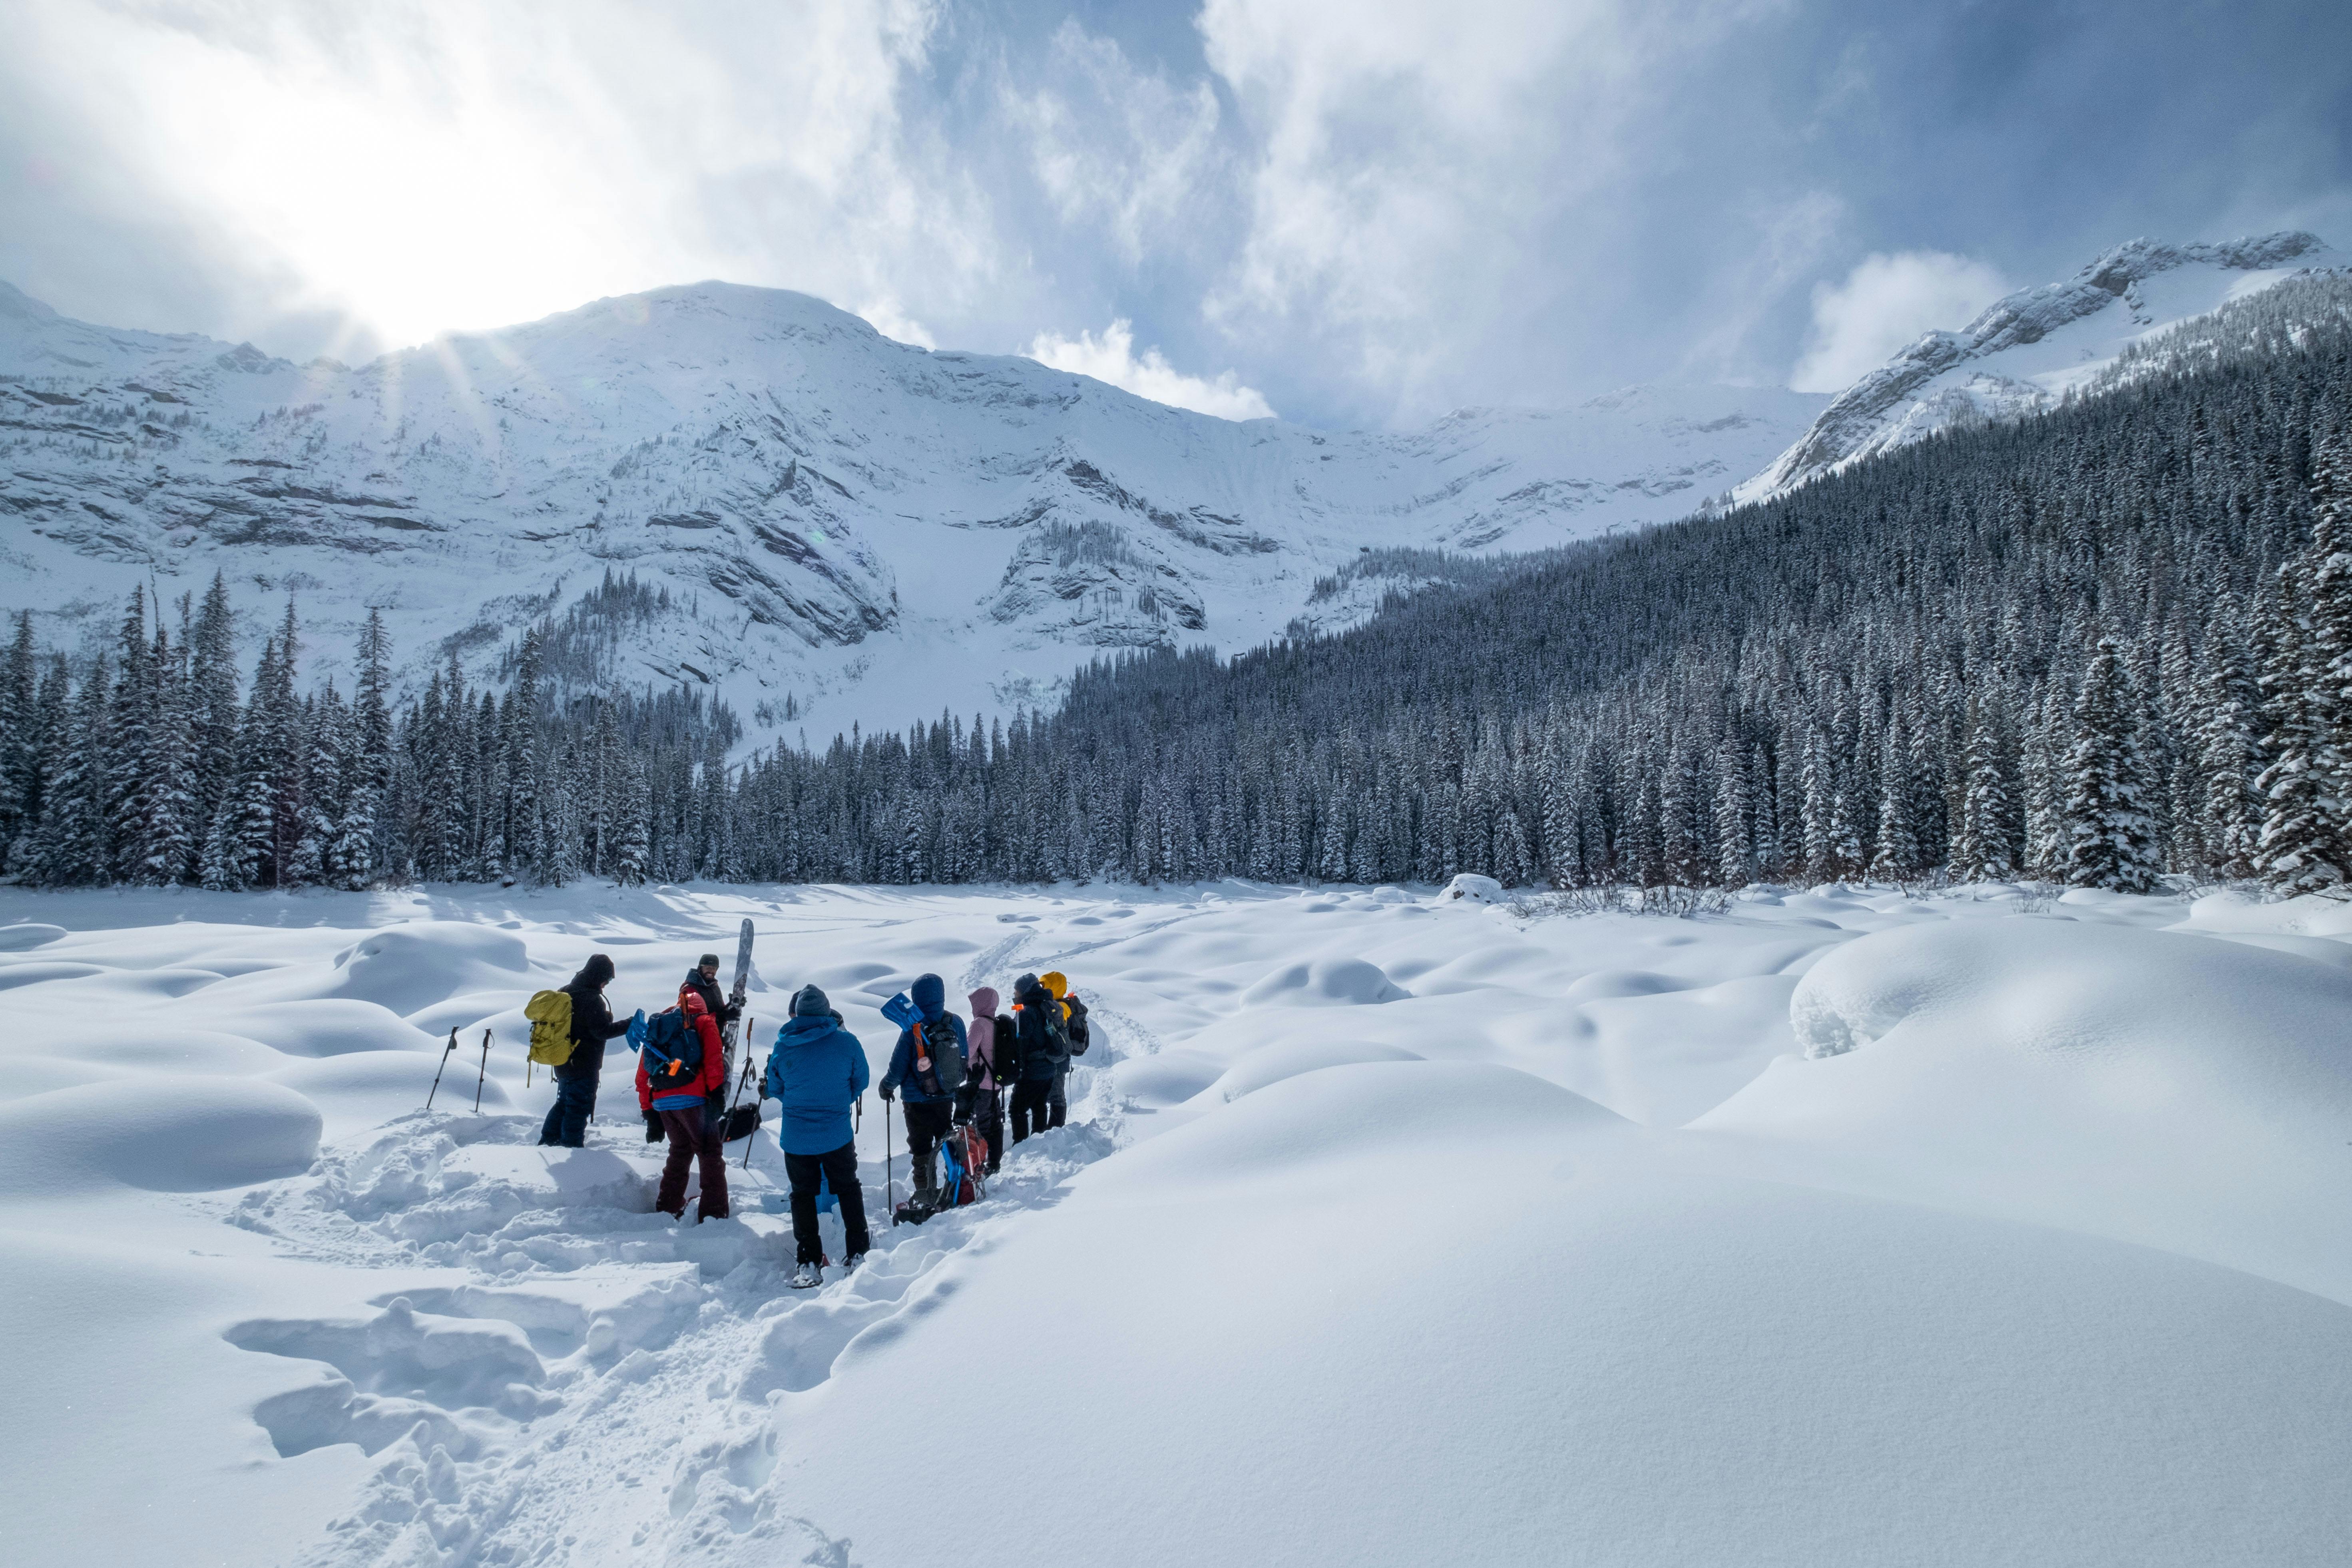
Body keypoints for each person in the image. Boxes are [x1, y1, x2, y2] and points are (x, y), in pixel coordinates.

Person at [763, 984, 872, 1288]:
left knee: (802, 1196)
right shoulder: (847, 1042)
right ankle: (858, 1252)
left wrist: (801, 1104)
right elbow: (860, 1081)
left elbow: (776, 1087)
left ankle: (809, 1261)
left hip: (797, 1137)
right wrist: (837, 1102)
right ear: (826, 1011)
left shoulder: (784, 1045)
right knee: (848, 1189)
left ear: (798, 1013)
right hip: (836, 1132)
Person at [637, 989, 730, 1220]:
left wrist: (649, 1112)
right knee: (709, 1153)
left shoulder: (661, 1027)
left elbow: (643, 1074)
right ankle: (714, 1214)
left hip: (663, 1101)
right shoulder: (705, 1022)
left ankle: (668, 1206)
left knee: (680, 1150)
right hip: (694, 1100)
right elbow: (713, 1061)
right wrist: (717, 1094)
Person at [878, 972, 966, 1203]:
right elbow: (964, 1058)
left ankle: (926, 1197)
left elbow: (898, 1067)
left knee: (921, 1151)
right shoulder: (955, 1022)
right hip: (946, 1097)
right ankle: (955, 1188)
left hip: (916, 1101)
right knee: (947, 1140)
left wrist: (886, 1087)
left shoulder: (912, 1027)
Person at [538, 953, 636, 1148]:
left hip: (562, 1059)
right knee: (578, 1107)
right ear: (599, 976)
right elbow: (602, 1032)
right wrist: (629, 1024)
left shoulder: (565, 991)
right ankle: (572, 1148)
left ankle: (548, 1141)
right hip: (583, 1065)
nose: (607, 984)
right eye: (607, 979)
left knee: (564, 1103)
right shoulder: (592, 999)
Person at [681, 952, 744, 1133]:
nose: (711, 971)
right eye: (707, 967)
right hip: (698, 1044)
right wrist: (723, 1015)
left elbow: (716, 1011)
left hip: (714, 1041)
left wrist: (731, 1008)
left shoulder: (713, 987)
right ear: (700, 968)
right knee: (706, 1082)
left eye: (714, 968)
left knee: (714, 1079)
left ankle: (709, 1121)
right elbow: (692, 1019)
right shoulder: (690, 989)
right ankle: (701, 1123)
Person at [1008, 971, 1068, 1144]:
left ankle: (1020, 1144)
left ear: (1025, 991)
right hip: (1050, 1068)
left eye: (1017, 991)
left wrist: (1018, 1069)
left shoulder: (1026, 1012)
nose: (1014, 995)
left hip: (1032, 1071)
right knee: (1039, 1106)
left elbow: (1021, 1044)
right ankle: (1039, 1140)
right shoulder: (1047, 1006)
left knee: (1016, 1109)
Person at [957, 986, 1006, 1175]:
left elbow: (967, 1052)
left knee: (982, 1124)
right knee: (995, 1122)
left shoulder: (979, 1024)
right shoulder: (996, 1023)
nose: (972, 1008)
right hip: (997, 1081)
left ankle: (982, 1166)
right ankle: (995, 1163)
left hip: (982, 1083)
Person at [1040, 971, 1089, 1131]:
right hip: (1058, 1057)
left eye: (1045, 985)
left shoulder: (1061, 1007)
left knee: (1056, 1095)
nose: (1042, 988)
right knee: (1054, 1093)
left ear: (1054, 987)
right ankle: (1053, 1127)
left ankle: (1056, 1127)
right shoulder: (1056, 1005)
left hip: (1059, 1058)